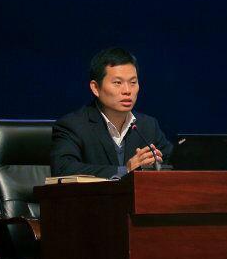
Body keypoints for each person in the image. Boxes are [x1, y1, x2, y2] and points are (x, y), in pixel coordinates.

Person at [50, 47, 174, 178]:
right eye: (117, 83)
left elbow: (174, 164)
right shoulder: (73, 126)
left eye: (133, 82)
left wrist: (160, 164)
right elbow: (63, 169)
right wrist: (125, 170)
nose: (127, 90)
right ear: (95, 88)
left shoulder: (147, 125)